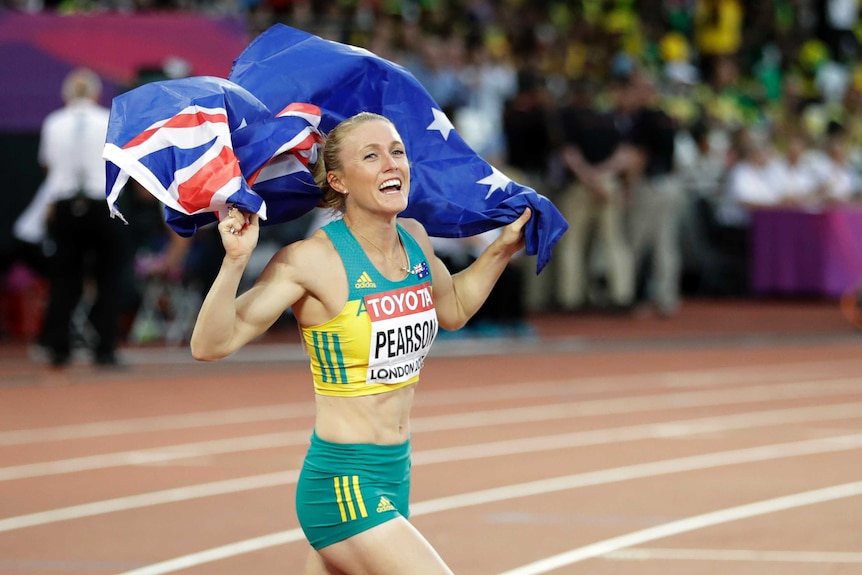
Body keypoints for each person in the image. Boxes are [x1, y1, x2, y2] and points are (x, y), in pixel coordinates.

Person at [189, 112, 531, 574]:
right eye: (371, 156)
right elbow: (211, 344)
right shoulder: (311, 260)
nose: (392, 164)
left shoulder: (414, 239)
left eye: (397, 152)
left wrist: (503, 247)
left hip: (396, 472)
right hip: (342, 482)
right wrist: (233, 263)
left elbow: (452, 309)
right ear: (339, 180)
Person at [34, 67, 126, 367]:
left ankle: (58, 348)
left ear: (66, 94)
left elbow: (48, 166)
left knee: (64, 279)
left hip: (65, 205)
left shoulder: (53, 122)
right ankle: (105, 349)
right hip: (102, 205)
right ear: (96, 93)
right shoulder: (108, 119)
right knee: (108, 279)